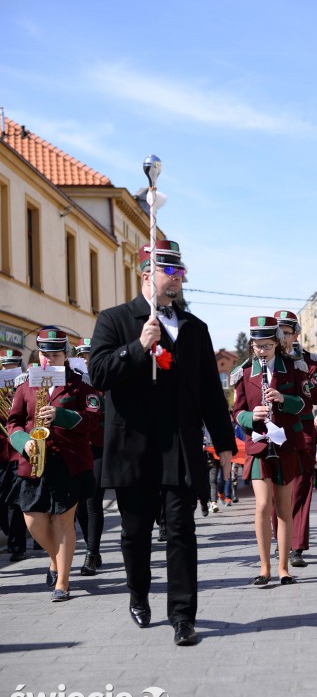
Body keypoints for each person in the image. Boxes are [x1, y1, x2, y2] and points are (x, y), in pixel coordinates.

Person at [88, 239, 235, 645]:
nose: (176, 281)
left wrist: (224, 444)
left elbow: (209, 392)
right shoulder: (115, 320)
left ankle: (183, 615)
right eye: (169, 274)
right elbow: (98, 374)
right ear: (147, 275)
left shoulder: (194, 329)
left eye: (180, 274)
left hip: (180, 448)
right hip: (132, 448)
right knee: (134, 534)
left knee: (181, 532)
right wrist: (138, 347)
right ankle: (137, 593)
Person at [7, 328, 100, 601]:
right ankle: (55, 558)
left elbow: (94, 421)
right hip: (33, 461)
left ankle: (63, 581)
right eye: (44, 355)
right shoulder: (26, 384)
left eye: (55, 355)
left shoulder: (81, 384)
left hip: (68, 462)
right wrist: (23, 441)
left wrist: (61, 415)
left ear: (66, 355)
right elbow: (12, 422)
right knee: (33, 521)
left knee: (62, 521)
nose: (49, 360)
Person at [231, 315, 307, 585]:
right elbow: (237, 411)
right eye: (257, 346)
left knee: (284, 507)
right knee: (263, 504)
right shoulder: (243, 372)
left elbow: (302, 404)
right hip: (259, 444)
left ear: (277, 343)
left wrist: (282, 399)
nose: (261, 351)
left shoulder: (293, 367)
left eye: (266, 346)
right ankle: (264, 567)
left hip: (284, 443)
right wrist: (253, 416)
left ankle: (283, 567)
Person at [273, 310, 317, 568]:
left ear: (295, 334)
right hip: (277, 434)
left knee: (301, 491)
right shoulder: (267, 361)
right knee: (279, 490)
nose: (282, 336)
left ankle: (296, 547)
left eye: (286, 332)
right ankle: (280, 541)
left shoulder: (310, 361)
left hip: (304, 432)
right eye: (278, 331)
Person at [72, 337, 106, 576]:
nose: (86, 360)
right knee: (81, 504)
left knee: (93, 501)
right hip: (79, 446)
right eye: (82, 356)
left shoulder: (105, 379)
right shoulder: (72, 381)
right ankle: (91, 546)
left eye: (90, 356)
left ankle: (91, 553)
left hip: (102, 446)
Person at [0, 349, 27, 562]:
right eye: (4, 366)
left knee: (16, 499)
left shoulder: (26, 384)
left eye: (12, 366)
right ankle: (9, 532)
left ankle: (17, 545)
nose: (8, 370)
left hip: (17, 450)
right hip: (1, 451)